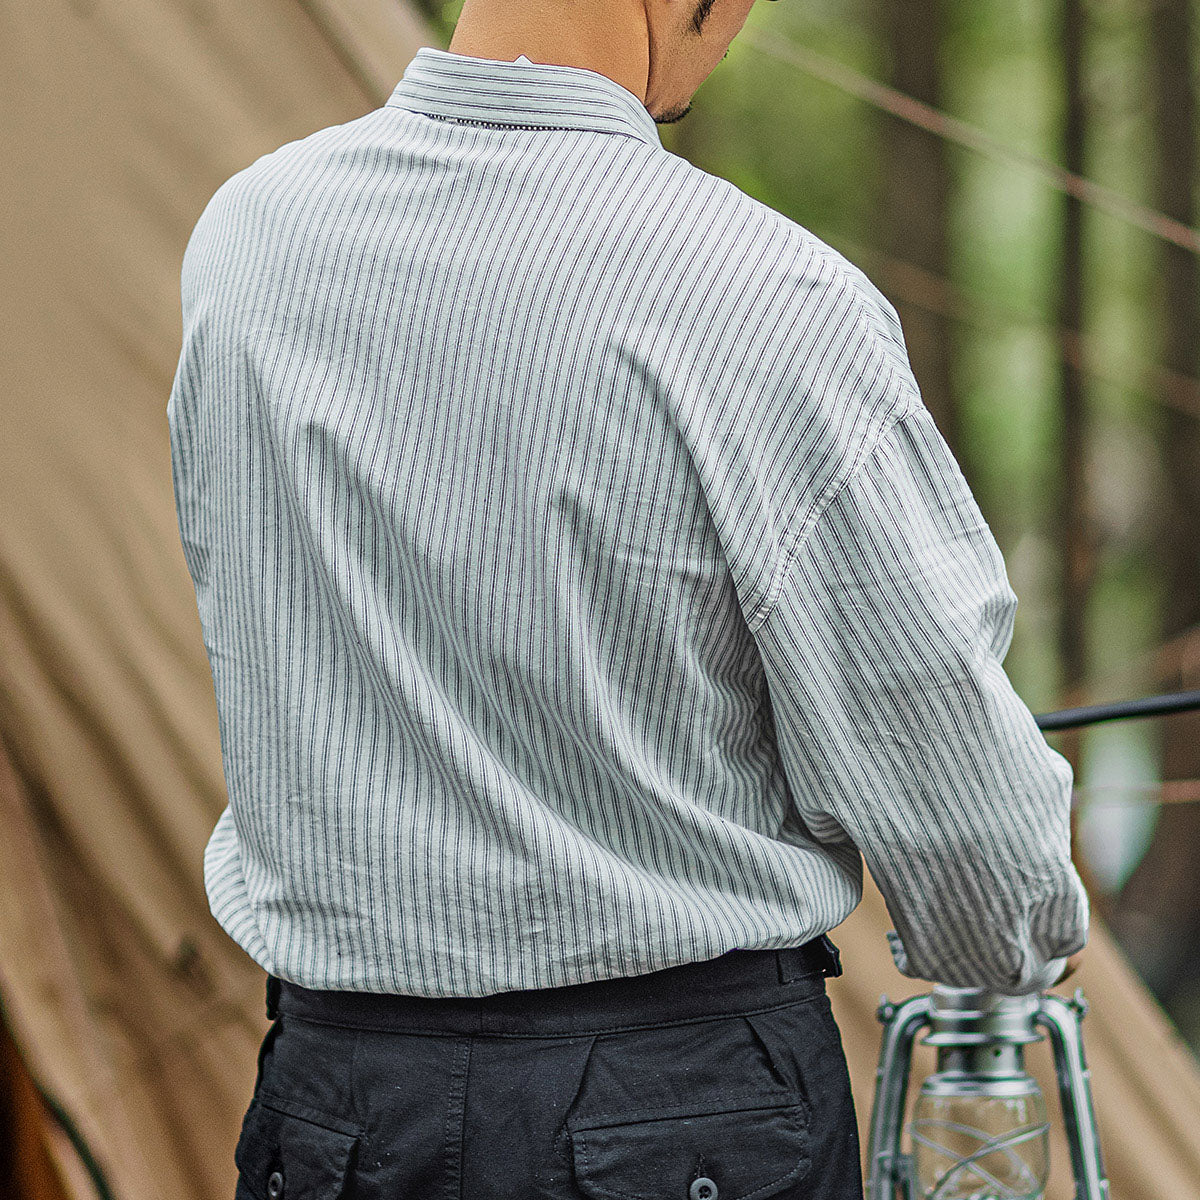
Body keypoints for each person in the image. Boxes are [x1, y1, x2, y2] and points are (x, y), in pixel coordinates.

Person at [166, 0, 1089, 1193]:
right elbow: (974, 844)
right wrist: (1009, 932)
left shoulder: (247, 241)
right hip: (683, 1112)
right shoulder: (769, 298)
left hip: (339, 1103)